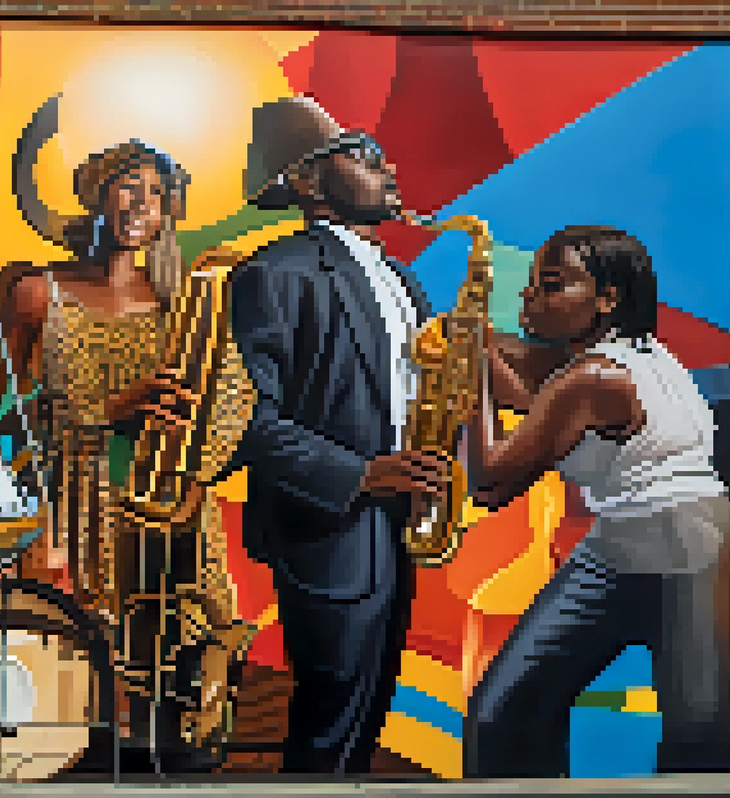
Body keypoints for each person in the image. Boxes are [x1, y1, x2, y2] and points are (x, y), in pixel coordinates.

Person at [0, 135, 251, 762]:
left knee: (176, 681)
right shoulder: (39, 293)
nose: (143, 204)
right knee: (83, 679)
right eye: (128, 187)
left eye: (158, 195)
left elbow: (235, 398)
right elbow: (3, 418)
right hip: (80, 505)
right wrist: (108, 411)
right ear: (95, 195)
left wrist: (198, 447)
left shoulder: (183, 307)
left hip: (170, 505)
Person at [221, 95, 449, 774]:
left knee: (368, 714)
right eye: (362, 155)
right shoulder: (272, 273)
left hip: (397, 523)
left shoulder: (402, 279)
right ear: (306, 182)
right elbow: (244, 421)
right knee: (327, 723)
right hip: (327, 527)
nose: (388, 168)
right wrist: (362, 475)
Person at [462, 226, 730, 777]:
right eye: (533, 283)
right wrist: (484, 349)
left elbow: (490, 481)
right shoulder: (647, 356)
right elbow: (538, 391)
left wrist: (475, 384)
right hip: (667, 538)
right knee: (512, 710)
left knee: (696, 736)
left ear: (607, 298)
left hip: (675, 539)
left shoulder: (589, 378)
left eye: (553, 285)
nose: (530, 297)